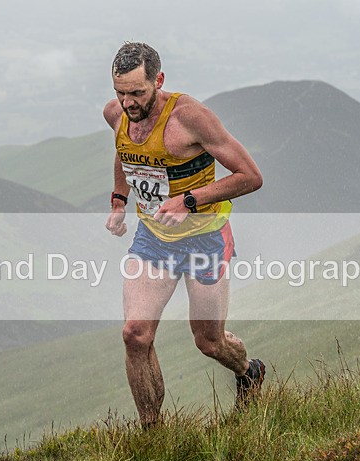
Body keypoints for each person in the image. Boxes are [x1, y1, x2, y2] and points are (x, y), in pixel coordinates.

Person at [103, 42, 264, 426]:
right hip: (153, 239)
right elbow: (124, 154)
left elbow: (251, 177)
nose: (127, 103)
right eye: (120, 92)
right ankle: (152, 436)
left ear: (158, 80)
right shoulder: (116, 114)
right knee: (134, 335)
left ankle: (249, 372)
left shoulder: (191, 119)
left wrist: (187, 201)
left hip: (204, 239)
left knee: (209, 341)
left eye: (137, 93)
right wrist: (118, 201)